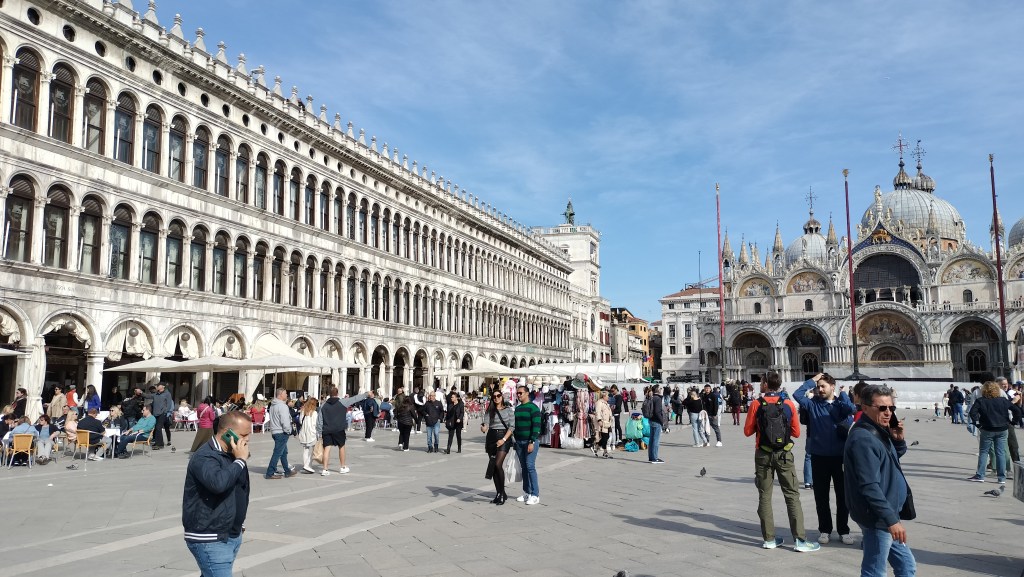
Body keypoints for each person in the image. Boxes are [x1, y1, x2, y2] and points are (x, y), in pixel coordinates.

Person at [844, 385, 916, 576]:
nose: (888, 413)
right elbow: (868, 485)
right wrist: (891, 520)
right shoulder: (863, 438)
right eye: (882, 408)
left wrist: (898, 441)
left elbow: (887, 461)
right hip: (877, 516)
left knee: (906, 566)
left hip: (886, 512)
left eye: (891, 408)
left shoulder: (877, 430)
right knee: (874, 571)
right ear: (865, 407)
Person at [744, 371, 819, 552]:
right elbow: (796, 433)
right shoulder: (788, 404)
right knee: (792, 496)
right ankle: (800, 540)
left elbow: (747, 431)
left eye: (761, 382)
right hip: (784, 456)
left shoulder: (756, 404)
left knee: (764, 496)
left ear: (765, 384)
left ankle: (769, 539)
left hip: (763, 454)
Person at [183, 410, 252, 577]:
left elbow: (240, 489)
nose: (247, 440)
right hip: (210, 537)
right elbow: (218, 484)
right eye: (243, 435)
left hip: (230, 533)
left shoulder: (232, 454)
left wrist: (238, 523)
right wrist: (240, 460)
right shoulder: (205, 456)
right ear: (227, 433)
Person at [794, 372, 857, 545]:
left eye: (823, 386)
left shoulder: (840, 404)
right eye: (818, 386)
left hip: (840, 457)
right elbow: (797, 395)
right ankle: (825, 529)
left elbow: (852, 409)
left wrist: (843, 394)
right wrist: (812, 381)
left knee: (842, 496)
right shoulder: (813, 404)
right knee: (821, 496)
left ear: (832, 387)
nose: (820, 389)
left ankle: (843, 530)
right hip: (819, 456)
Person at [967, 381, 1022, 483]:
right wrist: (1013, 422)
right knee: (1000, 452)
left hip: (987, 429)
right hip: (1002, 429)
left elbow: (972, 413)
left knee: (984, 452)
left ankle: (980, 475)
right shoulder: (1003, 400)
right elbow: (1017, 410)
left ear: (984, 390)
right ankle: (1001, 477)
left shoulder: (980, 401)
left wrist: (978, 424)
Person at [317, 386, 362, 475]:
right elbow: (355, 398)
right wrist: (366, 394)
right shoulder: (343, 402)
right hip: (339, 429)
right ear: (337, 393)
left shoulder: (323, 405)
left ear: (329, 394)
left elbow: (319, 420)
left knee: (327, 448)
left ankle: (325, 469)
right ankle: (343, 466)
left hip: (327, 429)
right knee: (341, 447)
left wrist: (319, 431)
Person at [481, 389, 515, 505]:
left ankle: (502, 492)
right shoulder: (490, 410)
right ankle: (499, 493)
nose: (496, 398)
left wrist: (504, 439)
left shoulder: (508, 410)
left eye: (498, 395)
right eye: (494, 396)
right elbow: (486, 424)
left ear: (502, 397)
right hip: (491, 437)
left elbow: (512, 427)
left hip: (504, 437)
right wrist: (484, 427)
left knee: (498, 464)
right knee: (494, 466)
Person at [514, 385, 542, 505]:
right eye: (517, 393)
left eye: (520, 393)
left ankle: (535, 494)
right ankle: (527, 492)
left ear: (527, 393)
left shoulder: (533, 408)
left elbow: (536, 426)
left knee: (530, 466)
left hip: (530, 441)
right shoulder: (518, 408)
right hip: (519, 441)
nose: (518, 395)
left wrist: (532, 441)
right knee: (524, 467)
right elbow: (515, 425)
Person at [265, 388, 296, 479]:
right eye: (286, 393)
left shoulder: (273, 405)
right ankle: (270, 473)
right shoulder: (283, 406)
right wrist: (288, 431)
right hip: (281, 432)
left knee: (283, 452)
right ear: (280, 394)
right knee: (278, 453)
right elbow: (285, 421)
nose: (287, 395)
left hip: (275, 431)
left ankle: (287, 470)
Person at [644, 385, 667, 463]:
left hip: (651, 419)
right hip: (656, 421)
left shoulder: (652, 397)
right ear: (658, 390)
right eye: (660, 388)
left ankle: (651, 457)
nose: (661, 389)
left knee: (651, 440)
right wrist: (662, 421)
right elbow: (657, 411)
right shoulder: (658, 399)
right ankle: (655, 458)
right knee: (656, 440)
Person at [297, 398, 319, 473]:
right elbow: (316, 424)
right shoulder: (314, 413)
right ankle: (307, 465)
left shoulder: (303, 412)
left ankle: (306, 465)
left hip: (304, 432)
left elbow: (300, 421)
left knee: (305, 450)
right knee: (313, 450)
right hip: (312, 433)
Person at [151, 382, 174, 449]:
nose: (157, 386)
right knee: (157, 428)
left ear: (163, 386)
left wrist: (166, 412)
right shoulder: (157, 394)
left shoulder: (167, 394)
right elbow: (149, 396)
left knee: (165, 428)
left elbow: (170, 405)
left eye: (158, 385)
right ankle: (158, 442)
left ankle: (167, 441)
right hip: (158, 413)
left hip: (165, 415)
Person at [592, 390, 613, 459]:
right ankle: (605, 451)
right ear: (604, 396)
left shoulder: (606, 403)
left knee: (606, 437)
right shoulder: (599, 402)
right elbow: (597, 412)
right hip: (602, 422)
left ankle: (596, 446)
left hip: (607, 423)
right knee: (604, 437)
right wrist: (599, 420)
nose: (608, 397)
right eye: (607, 396)